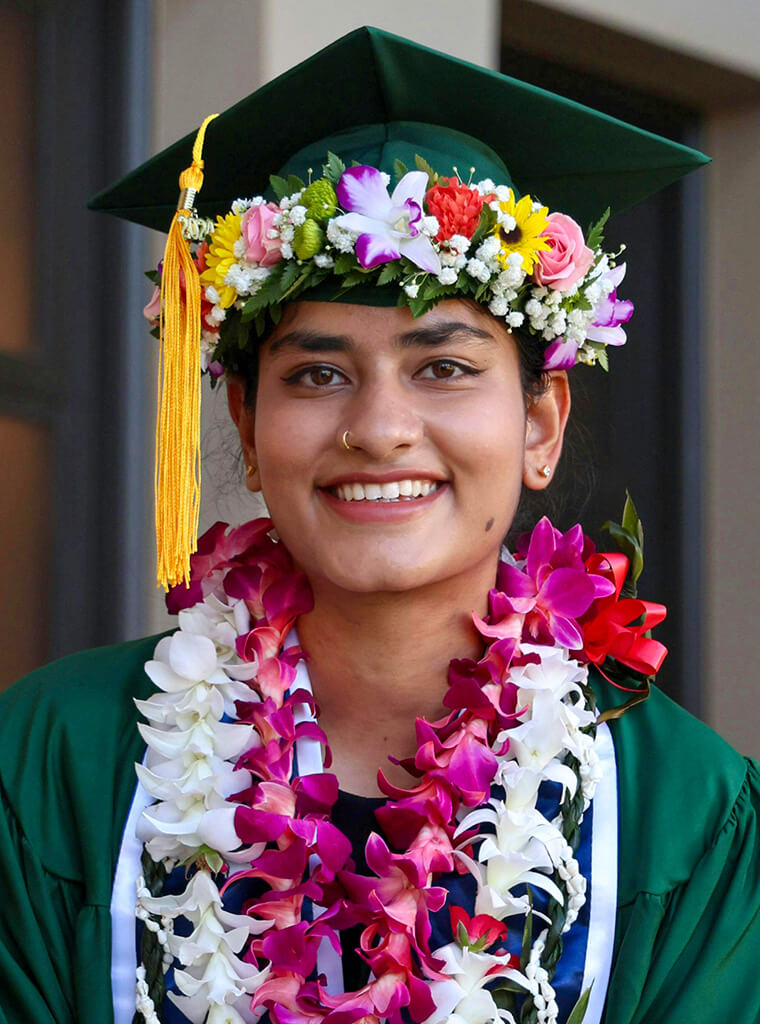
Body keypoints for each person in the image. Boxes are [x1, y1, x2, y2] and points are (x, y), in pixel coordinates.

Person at [0, 25, 758, 1024]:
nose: (377, 429)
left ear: (540, 425)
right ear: (247, 421)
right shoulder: (59, 759)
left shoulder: (680, 815)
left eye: (443, 367)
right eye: (317, 374)